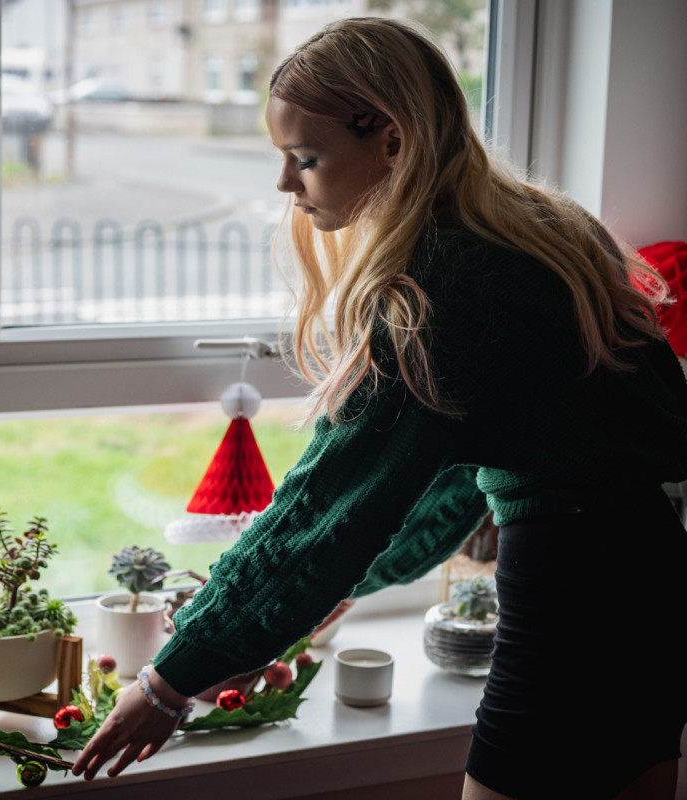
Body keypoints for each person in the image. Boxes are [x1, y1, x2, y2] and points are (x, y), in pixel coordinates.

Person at [73, 17, 687, 799]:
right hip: (653, 578)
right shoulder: (540, 227)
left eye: (306, 158)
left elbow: (324, 508)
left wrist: (167, 683)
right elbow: (461, 466)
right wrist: (346, 585)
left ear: (391, 140)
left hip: (577, 601)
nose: (286, 186)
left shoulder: (440, 288)